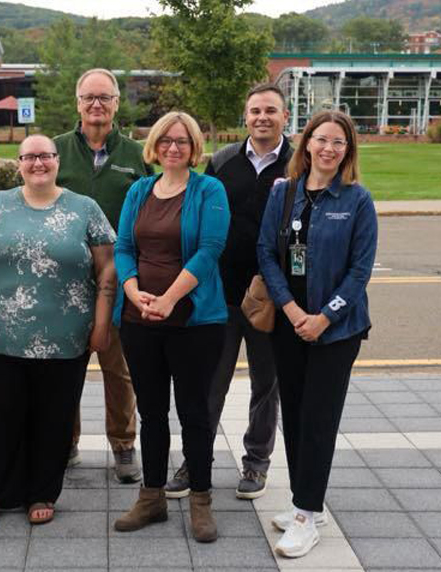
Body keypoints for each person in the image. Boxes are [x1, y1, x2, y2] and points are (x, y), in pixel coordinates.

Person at [0, 134, 116, 527]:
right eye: (29, 157)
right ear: (19, 163)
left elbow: (107, 268)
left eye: (45, 156)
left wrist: (101, 323)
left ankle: (42, 491)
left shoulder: (85, 208)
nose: (38, 163)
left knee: (54, 417)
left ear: (58, 161)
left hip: (66, 338)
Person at [257, 110, 377, 558]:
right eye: (321, 139)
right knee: (295, 415)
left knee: (319, 420)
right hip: (289, 324)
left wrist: (324, 317)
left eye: (338, 142)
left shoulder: (357, 200)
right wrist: (290, 309)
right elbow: (266, 253)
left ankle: (307, 516)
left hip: (337, 330)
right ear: (306, 143)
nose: (328, 148)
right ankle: (304, 502)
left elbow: (360, 271)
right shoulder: (283, 193)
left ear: (347, 151)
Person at [167, 83, 293, 500]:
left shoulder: (299, 164)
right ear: (246, 116)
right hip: (220, 295)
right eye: (255, 111)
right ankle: (195, 459)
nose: (262, 117)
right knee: (208, 385)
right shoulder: (223, 161)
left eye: (270, 110)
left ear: (285, 116)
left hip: (272, 299)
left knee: (266, 386)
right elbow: (201, 218)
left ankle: (256, 462)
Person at [111, 112, 230, 543]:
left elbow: (210, 249)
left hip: (194, 322)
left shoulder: (209, 189)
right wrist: (132, 290)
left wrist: (169, 299)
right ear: (155, 146)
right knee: (151, 412)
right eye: (166, 140)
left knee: (194, 413)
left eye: (182, 141)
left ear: (194, 147)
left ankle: (201, 500)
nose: (173, 148)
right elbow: (124, 246)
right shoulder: (139, 190)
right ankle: (152, 497)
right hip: (139, 320)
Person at [53, 68, 150, 483]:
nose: (96, 104)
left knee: (119, 369)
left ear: (116, 103)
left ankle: (124, 444)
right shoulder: (55, 151)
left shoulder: (137, 156)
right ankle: (65, 440)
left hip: (121, 280)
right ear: (77, 103)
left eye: (104, 97)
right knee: (64, 368)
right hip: (63, 282)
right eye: (89, 97)